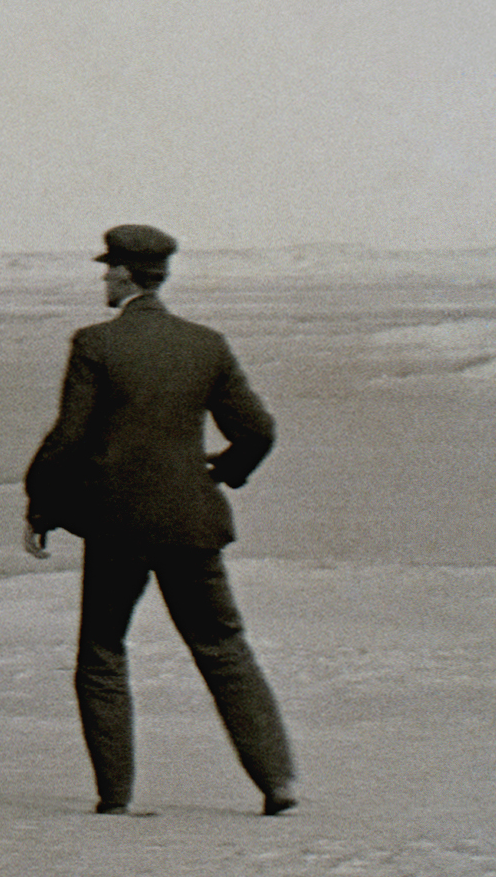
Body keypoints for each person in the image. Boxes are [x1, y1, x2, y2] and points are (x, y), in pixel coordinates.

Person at [22, 223, 297, 815]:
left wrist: (40, 504)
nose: (103, 277)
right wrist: (223, 472)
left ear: (124, 273)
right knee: (223, 647)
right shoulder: (206, 344)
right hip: (192, 522)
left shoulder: (96, 344)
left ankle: (115, 798)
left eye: (107, 269)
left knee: (102, 651)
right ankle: (279, 784)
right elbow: (258, 430)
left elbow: (69, 437)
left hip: (119, 526)